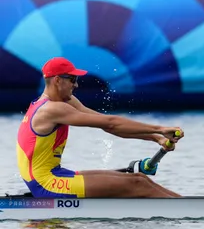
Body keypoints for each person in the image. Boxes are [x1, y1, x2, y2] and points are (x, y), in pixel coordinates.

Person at [17, 57, 184, 199]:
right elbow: (111, 122)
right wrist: (160, 128)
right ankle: (191, 210)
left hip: (56, 175)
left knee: (139, 177)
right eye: (73, 80)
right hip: (46, 184)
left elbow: (107, 125)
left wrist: (156, 137)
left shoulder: (64, 102)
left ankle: (185, 204)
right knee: (137, 184)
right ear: (58, 80)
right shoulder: (52, 109)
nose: (76, 85)